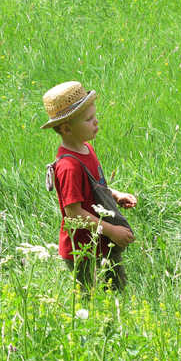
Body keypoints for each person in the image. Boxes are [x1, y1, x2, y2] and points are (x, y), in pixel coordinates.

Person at [41, 81, 136, 291]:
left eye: (94, 116)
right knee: (88, 299)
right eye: (88, 119)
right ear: (66, 128)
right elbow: (73, 213)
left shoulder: (87, 150)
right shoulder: (68, 166)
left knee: (116, 291)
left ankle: (113, 323)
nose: (96, 122)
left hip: (103, 243)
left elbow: (94, 189)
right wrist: (111, 231)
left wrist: (115, 195)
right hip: (82, 250)